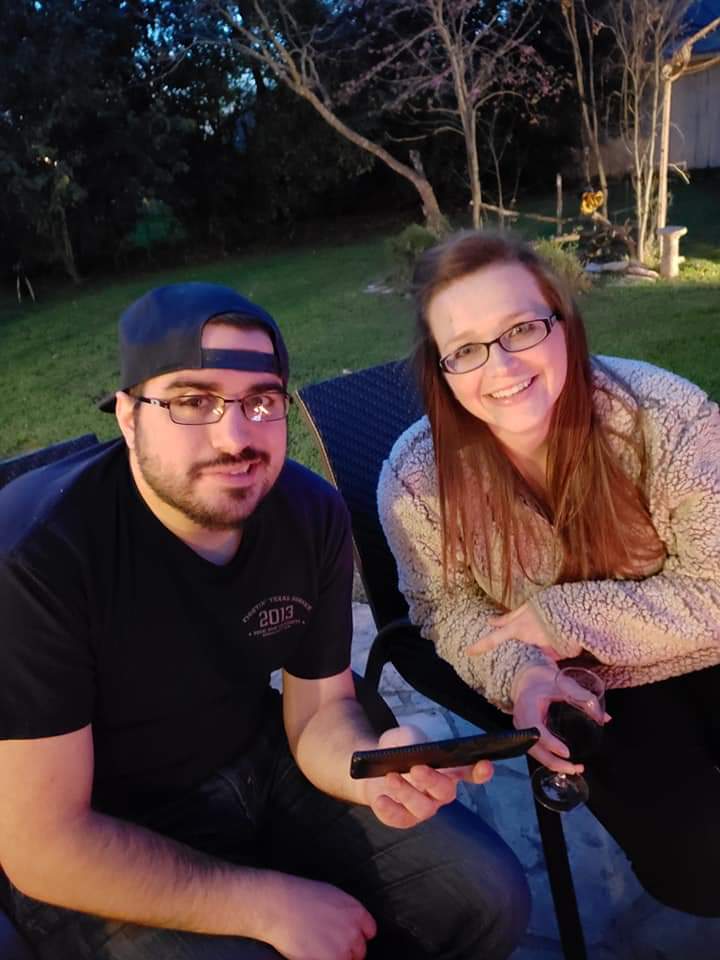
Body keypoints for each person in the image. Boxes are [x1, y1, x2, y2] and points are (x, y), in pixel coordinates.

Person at [0, 281, 530, 960]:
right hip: (105, 828)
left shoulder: (309, 516)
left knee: (486, 896)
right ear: (129, 417)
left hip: (257, 765)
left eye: (261, 401)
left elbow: (319, 712)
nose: (235, 437)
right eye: (193, 401)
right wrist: (265, 903)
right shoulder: (38, 557)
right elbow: (43, 844)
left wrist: (374, 771)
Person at [378, 231, 720, 918]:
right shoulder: (416, 479)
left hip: (703, 644)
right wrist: (523, 673)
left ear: (564, 322)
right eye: (466, 348)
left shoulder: (664, 417)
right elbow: (445, 606)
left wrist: (561, 615)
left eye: (521, 328)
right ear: (440, 368)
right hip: (588, 689)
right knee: (703, 868)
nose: (501, 366)